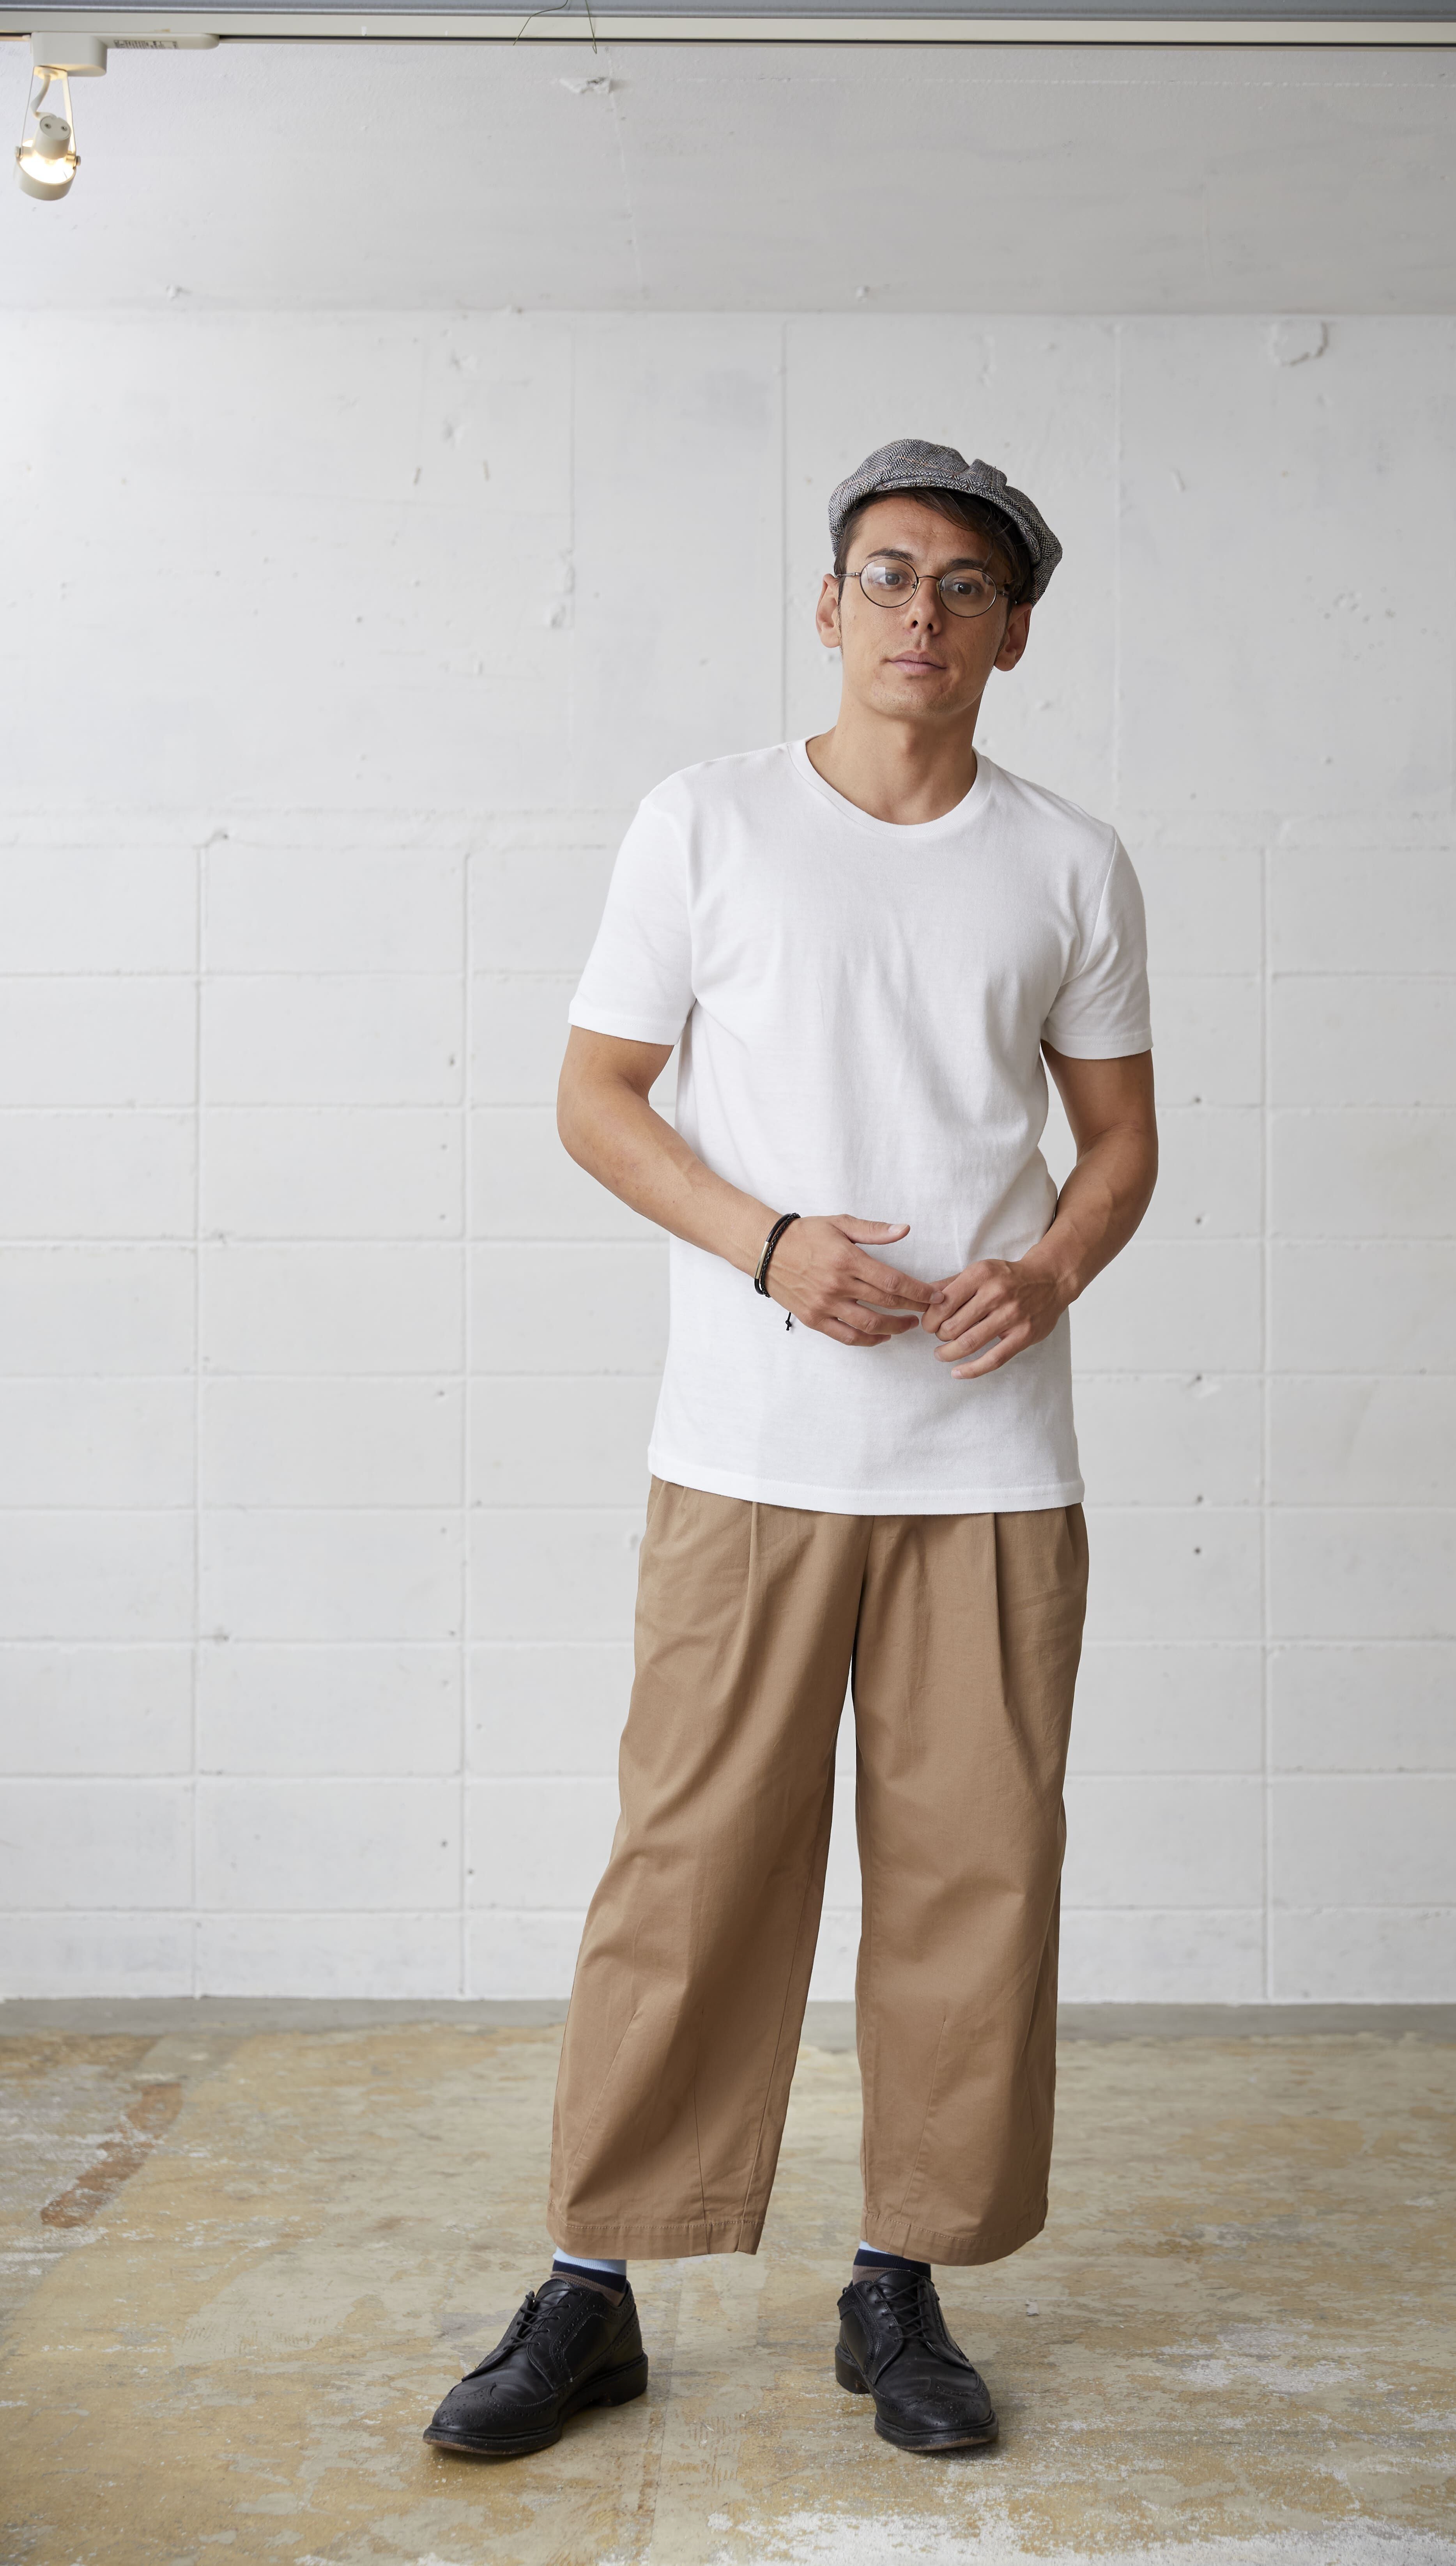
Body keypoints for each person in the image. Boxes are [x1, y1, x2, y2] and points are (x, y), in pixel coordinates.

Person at [424, 436, 1158, 2463]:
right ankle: (590, 2286)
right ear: (830, 606)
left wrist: (1053, 1269)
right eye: (888, 574)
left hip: (988, 1462)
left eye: (964, 586)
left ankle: (897, 2284)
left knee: (974, 1878)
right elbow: (595, 1096)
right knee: (686, 1867)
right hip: (747, 1447)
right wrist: (766, 1245)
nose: (922, 613)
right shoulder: (708, 822)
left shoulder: (1070, 862)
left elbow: (1117, 1143)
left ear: (1013, 634)